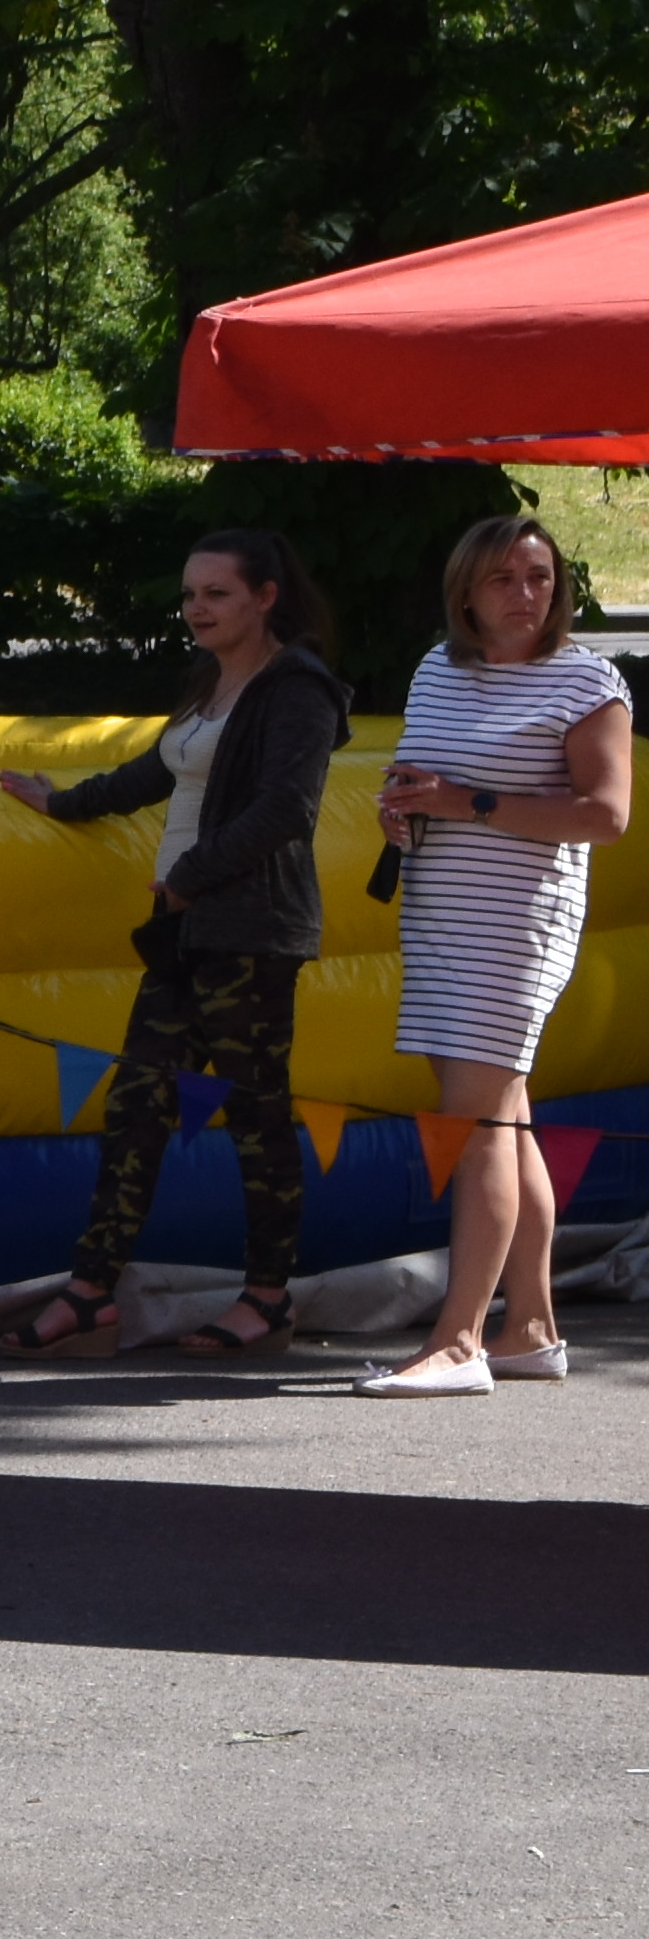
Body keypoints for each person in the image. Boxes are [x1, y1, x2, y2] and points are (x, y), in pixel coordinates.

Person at [0, 531, 346, 1361]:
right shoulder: (212, 683)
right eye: (190, 595)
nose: (197, 609)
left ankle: (267, 1297)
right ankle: (90, 1292)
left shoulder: (300, 688)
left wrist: (192, 874)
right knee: (135, 1106)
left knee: (256, 1116)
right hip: (188, 927)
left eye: (216, 594)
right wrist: (65, 802)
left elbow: (287, 809)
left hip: (250, 927)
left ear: (265, 596)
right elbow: (157, 771)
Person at [359, 510, 631, 1395]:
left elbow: (606, 815)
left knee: (474, 1120)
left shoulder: (589, 681)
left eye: (542, 577)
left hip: (517, 926)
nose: (527, 595)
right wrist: (401, 807)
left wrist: (467, 801)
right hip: (443, 913)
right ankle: (532, 1328)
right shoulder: (439, 667)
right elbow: (423, 775)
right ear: (466, 593)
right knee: (503, 1116)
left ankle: (458, 1340)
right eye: (506, 579)